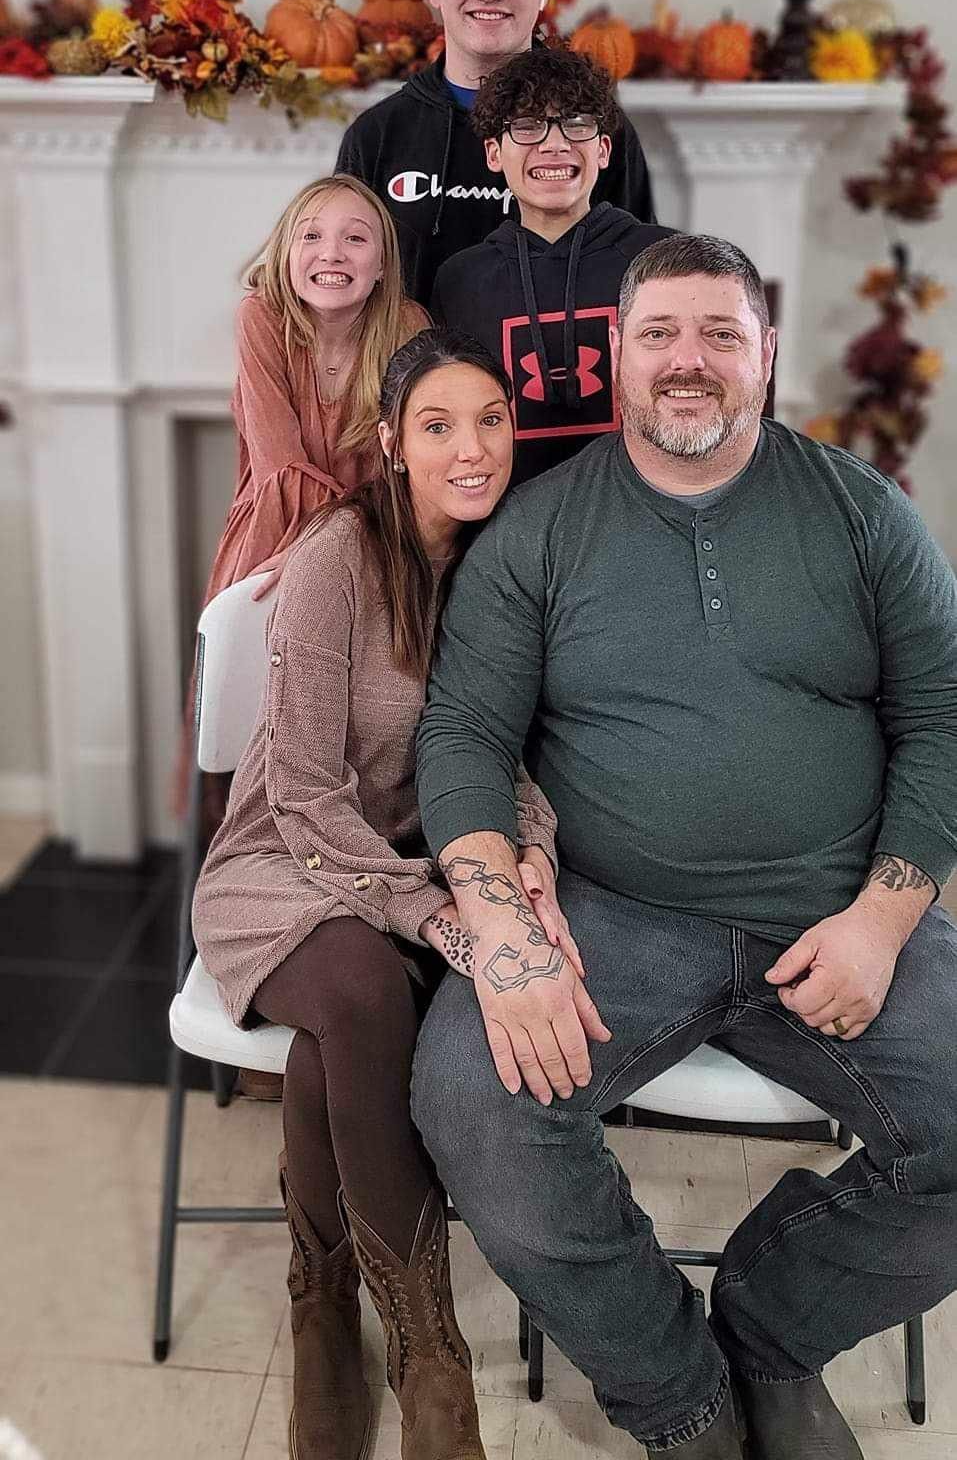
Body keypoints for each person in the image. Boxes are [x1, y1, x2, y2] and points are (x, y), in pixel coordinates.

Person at [412, 234, 957, 1460]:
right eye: (658, 332)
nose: (687, 359)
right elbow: (465, 732)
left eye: (721, 332)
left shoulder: (863, 512)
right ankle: (682, 1399)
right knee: (474, 1102)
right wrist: (498, 921)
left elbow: (943, 714)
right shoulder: (541, 528)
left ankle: (769, 1337)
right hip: (612, 915)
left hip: (833, 911)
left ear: (767, 353)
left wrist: (881, 921)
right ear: (617, 355)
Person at [193, 329, 574, 1460]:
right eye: (438, 425)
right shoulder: (336, 559)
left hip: (424, 863)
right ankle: (431, 1357)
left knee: (341, 1035)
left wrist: (529, 857)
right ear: (393, 443)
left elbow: (514, 755)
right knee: (363, 994)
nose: (472, 448)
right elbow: (303, 794)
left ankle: (323, 1316)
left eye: (491, 421)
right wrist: (439, 915)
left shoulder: (507, 561)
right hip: (282, 863)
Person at [174, 173, 429, 828]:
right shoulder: (261, 318)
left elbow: (402, 470)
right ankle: (246, 840)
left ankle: (348, 839)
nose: (331, 253)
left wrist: (334, 550)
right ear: (286, 254)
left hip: (376, 542)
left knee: (361, 727)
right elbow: (279, 462)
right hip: (273, 535)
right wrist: (311, 554)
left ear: (381, 265)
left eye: (355, 239)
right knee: (246, 719)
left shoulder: (407, 327)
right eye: (311, 237)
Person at [335, 0, 655, 305]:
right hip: (413, 352)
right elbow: (344, 291)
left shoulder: (595, 130)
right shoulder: (377, 136)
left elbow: (646, 288)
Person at [431, 47, 670, 484]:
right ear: (493, 153)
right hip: (509, 510)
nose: (555, 144)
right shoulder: (460, 280)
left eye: (576, 123)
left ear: (603, 149)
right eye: (527, 126)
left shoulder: (663, 259)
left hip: (641, 505)